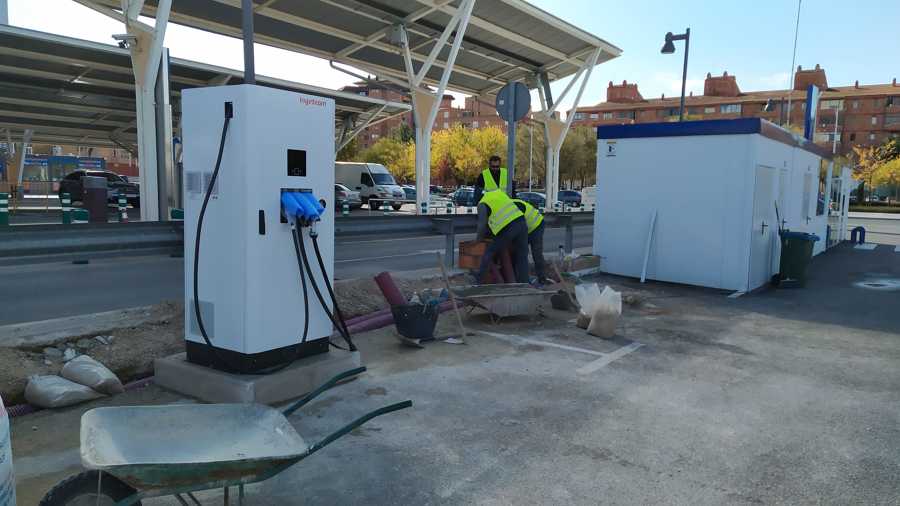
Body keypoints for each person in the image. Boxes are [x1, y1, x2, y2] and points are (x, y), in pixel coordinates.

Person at [475, 189, 529, 284]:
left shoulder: (482, 203)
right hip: (522, 223)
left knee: (489, 252)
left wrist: (478, 242)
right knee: (522, 256)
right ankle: (524, 284)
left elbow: (482, 226)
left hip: (508, 228)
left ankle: (478, 281)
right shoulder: (498, 193)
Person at [512, 197, 547, 284]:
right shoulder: (508, 207)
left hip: (536, 225)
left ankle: (541, 278)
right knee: (519, 253)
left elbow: (519, 227)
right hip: (526, 227)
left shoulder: (516, 206)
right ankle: (520, 278)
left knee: (536, 253)